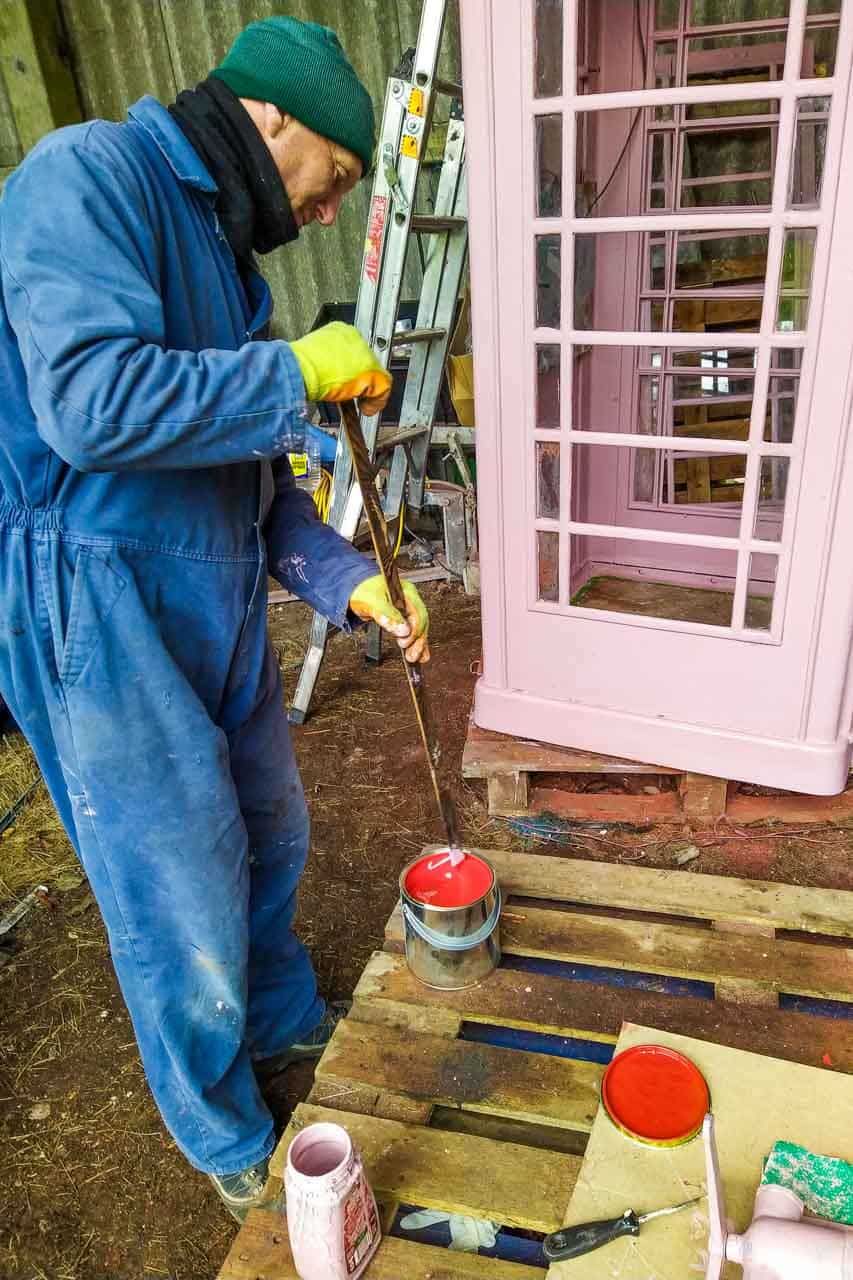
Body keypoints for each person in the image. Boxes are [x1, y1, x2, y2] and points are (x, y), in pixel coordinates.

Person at [0, 16, 430, 1221]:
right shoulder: (84, 177)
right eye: (336, 179)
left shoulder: (229, 263)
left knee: (266, 827)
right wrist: (292, 370)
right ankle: (226, 1125)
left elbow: (248, 472)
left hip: (214, 585)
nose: (334, 209)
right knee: (173, 881)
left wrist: (345, 574)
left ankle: (287, 1025)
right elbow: (90, 402)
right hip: (96, 597)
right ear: (274, 119)